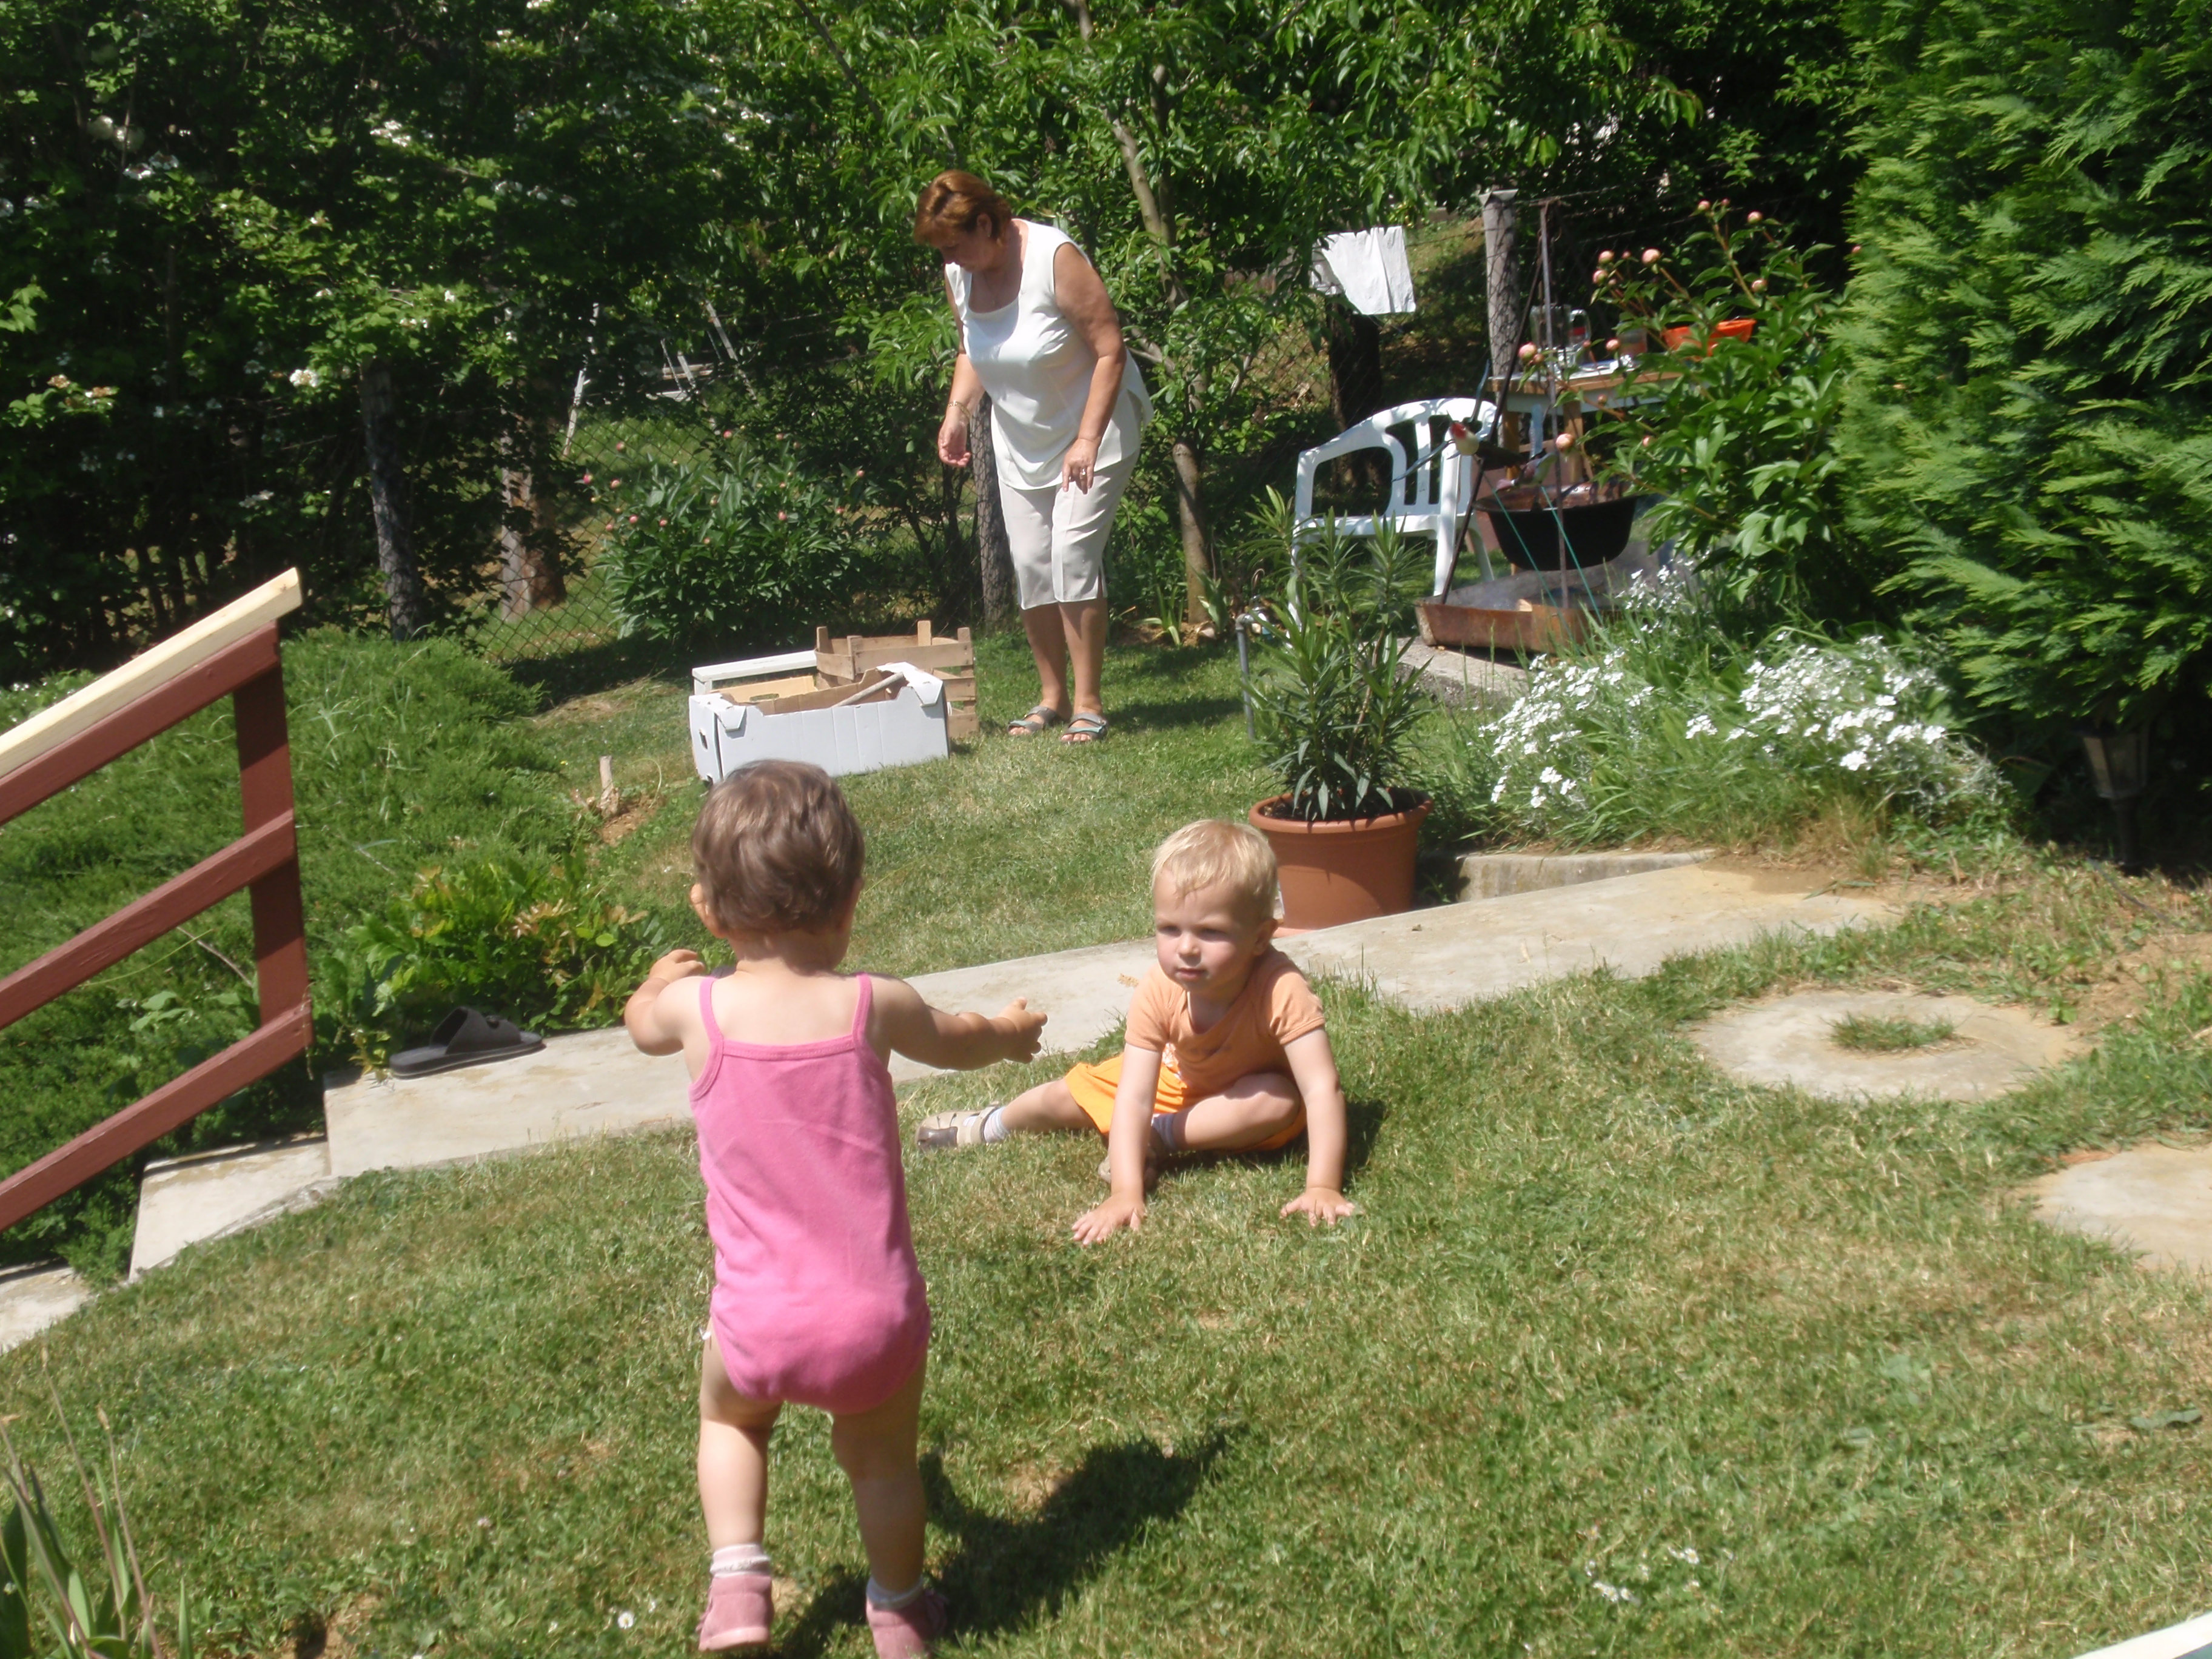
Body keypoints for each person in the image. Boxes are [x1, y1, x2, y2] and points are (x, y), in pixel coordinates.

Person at [624, 760, 1047, 1655]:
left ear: (709, 911)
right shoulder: (874, 1005)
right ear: (852, 900)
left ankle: (739, 1585)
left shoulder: (695, 1011)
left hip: (755, 1319)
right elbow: (963, 1041)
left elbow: (639, 1025)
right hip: (871, 1321)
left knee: (730, 1420)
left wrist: (653, 984)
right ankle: (899, 1611)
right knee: (883, 1464)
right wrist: (1011, 1034)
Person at [914, 819, 1357, 1244]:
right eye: (1170, 929)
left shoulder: (1281, 989)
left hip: (1247, 1101)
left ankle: (1157, 1137)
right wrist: (1125, 1193)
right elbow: (1134, 1096)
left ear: (1260, 938)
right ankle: (991, 1125)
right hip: (1176, 1082)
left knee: (1278, 1100)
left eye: (1211, 932)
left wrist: (1322, 1185)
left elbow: (1321, 1088)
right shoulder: (1158, 988)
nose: (1186, 948)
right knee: (1063, 1097)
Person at [915, 169, 1151, 746]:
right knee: (1031, 564)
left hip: (1094, 427)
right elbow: (972, 349)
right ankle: (1053, 697)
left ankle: (1089, 705)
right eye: (942, 250)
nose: (949, 259)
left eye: (954, 245)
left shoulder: (1053, 257)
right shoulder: (960, 274)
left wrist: (1087, 439)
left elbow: (1110, 349)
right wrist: (957, 412)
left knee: (1072, 554)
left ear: (986, 224)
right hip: (1020, 438)